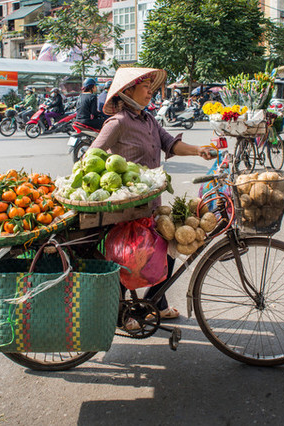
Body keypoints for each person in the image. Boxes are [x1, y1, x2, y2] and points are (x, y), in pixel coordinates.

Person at [90, 67, 216, 325]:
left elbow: (171, 144)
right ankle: (121, 313)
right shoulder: (118, 123)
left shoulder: (149, 121)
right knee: (127, 260)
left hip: (151, 206)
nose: (150, 90)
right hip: (126, 210)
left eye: (150, 85)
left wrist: (198, 150)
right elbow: (92, 156)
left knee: (168, 252)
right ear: (127, 92)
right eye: (144, 86)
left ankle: (156, 303)